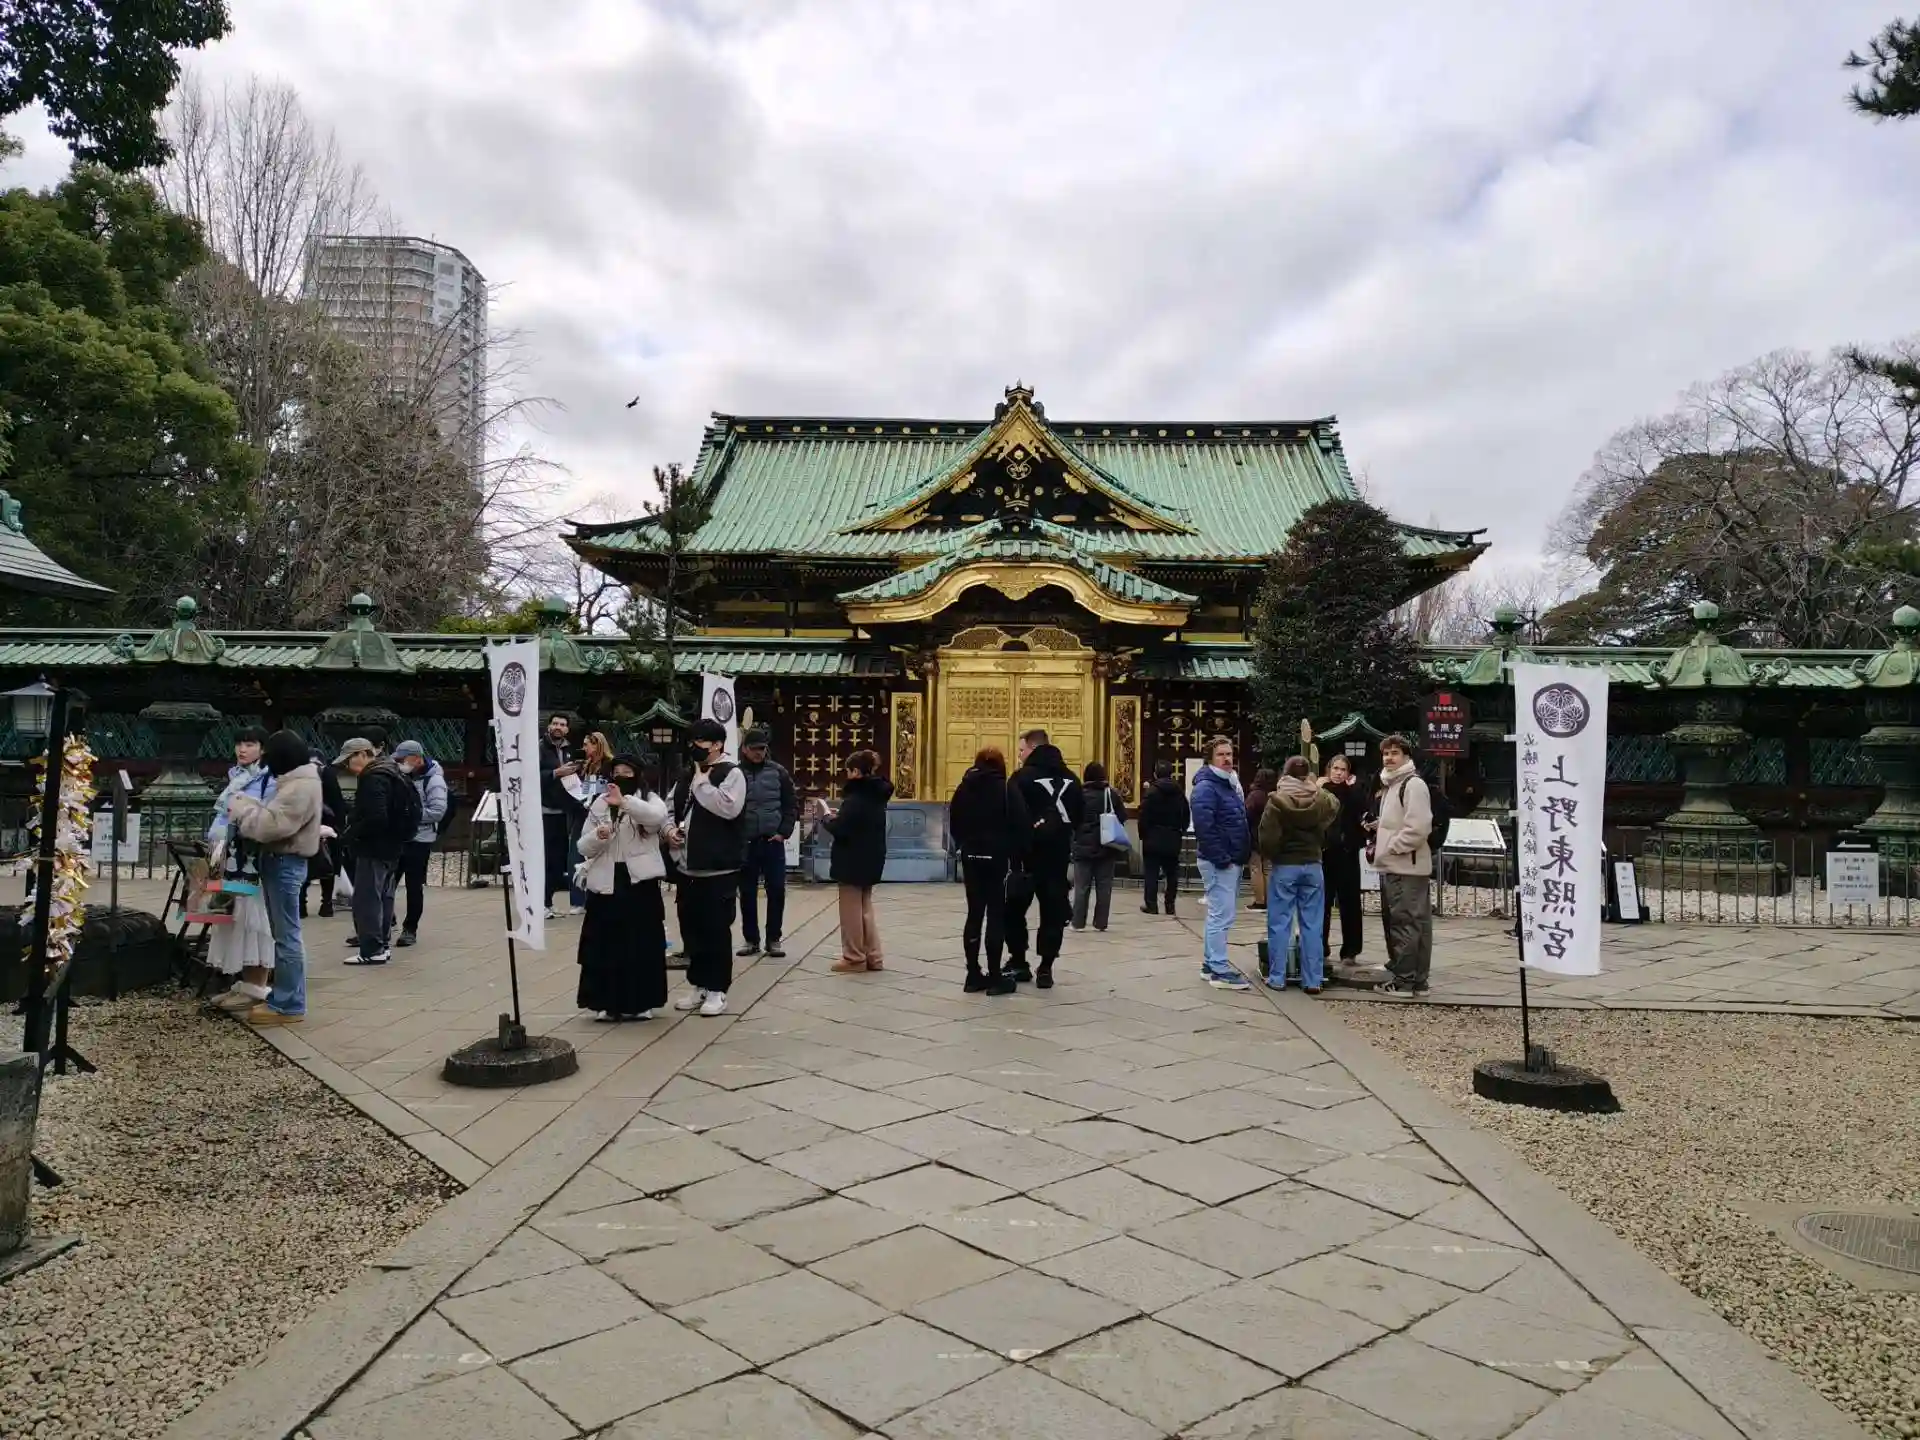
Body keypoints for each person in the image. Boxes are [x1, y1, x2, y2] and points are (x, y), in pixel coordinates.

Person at [226, 730, 323, 1026]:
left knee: (286, 937)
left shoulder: (300, 787)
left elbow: (272, 826)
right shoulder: (296, 782)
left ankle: (289, 1004)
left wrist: (242, 809)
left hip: (285, 862)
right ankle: (286, 998)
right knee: (284, 935)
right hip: (281, 861)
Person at [576, 752, 671, 1021]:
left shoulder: (648, 799)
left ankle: (642, 1002)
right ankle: (605, 1002)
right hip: (606, 880)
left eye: (627, 773)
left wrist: (626, 802)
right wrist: (598, 835)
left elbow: (657, 819)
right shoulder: (600, 803)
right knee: (604, 944)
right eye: (616, 773)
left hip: (638, 881)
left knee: (641, 943)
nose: (621, 777)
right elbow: (582, 846)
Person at [665, 718, 747, 1016]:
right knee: (691, 930)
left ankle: (717, 989)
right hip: (686, 868)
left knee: (715, 931)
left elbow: (728, 807)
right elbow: (669, 806)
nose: (694, 746)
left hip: (718, 868)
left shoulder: (731, 773)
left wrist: (702, 782)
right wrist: (668, 830)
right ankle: (698, 984)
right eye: (692, 741)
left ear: (717, 744)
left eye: (700, 740)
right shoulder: (687, 773)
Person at [1006, 729, 1082, 990]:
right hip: (1057, 858)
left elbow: (1011, 816)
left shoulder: (1021, 778)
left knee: (1013, 910)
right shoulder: (1072, 779)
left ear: (1033, 748)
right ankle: (1046, 966)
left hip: (1025, 858)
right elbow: (1080, 816)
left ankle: (1018, 960)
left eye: (1022, 750)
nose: (1019, 755)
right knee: (1053, 913)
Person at [948, 746, 1028, 994]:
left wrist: (964, 845)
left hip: (971, 856)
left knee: (974, 914)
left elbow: (954, 822)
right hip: (997, 857)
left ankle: (972, 973)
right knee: (995, 914)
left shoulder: (964, 788)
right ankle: (995, 976)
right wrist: (1015, 855)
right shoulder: (1005, 788)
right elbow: (1020, 823)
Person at [1257, 756, 1340, 994]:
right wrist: (1318, 786)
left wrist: (1273, 854)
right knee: (1312, 924)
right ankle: (1312, 979)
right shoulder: (1319, 798)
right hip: (1312, 865)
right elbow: (1334, 805)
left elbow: (1267, 838)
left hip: (1285, 865)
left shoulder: (1277, 801)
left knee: (1279, 923)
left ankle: (1277, 977)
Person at [206, 728, 273, 1011]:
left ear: (263, 748)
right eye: (239, 744)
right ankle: (244, 982)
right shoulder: (237, 776)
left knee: (253, 921)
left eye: (249, 744)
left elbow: (265, 818)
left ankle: (257, 985)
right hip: (226, 856)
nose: (242, 749)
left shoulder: (267, 778)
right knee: (233, 918)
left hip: (250, 860)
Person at [337, 736, 418, 966]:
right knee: (384, 896)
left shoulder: (373, 777)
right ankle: (382, 945)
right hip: (393, 846)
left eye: (348, 760)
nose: (347, 767)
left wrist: (350, 834)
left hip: (374, 847)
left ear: (363, 754)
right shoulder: (393, 771)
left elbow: (376, 817)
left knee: (367, 898)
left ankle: (372, 949)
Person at [819, 750, 893, 974]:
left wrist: (827, 818)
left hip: (851, 860)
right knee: (865, 910)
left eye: (849, 770)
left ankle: (854, 957)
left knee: (850, 911)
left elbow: (842, 829)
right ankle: (873, 956)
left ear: (857, 772)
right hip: (872, 857)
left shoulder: (856, 798)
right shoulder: (876, 794)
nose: (848, 775)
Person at [1374, 732, 1435, 996]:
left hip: (1405, 865)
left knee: (1405, 923)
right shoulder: (1394, 784)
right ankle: (1418, 980)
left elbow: (1418, 827)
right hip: (1403, 864)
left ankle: (1404, 981)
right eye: (1386, 753)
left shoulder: (1412, 784)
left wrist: (1392, 846)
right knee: (1415, 922)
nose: (1389, 758)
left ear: (1406, 756)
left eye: (1394, 753)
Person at [1190, 734, 1253, 990]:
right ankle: (1218, 968)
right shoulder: (1207, 787)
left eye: (1229, 754)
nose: (1227, 759)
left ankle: (1210, 964)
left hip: (1229, 857)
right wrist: (1222, 858)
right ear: (1210, 758)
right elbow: (1204, 827)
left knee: (1218, 914)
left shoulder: (1227, 783)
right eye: (1221, 755)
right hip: (1220, 861)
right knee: (1221, 916)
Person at [736, 725, 799, 960]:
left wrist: (784, 832)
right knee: (747, 893)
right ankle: (751, 939)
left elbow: (791, 804)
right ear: (744, 749)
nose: (758, 753)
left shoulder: (779, 772)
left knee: (777, 890)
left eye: (762, 749)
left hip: (773, 841)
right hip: (746, 842)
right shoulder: (735, 774)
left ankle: (774, 938)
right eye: (754, 748)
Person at [392, 740, 449, 949]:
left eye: (403, 759)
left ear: (417, 758)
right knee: (387, 882)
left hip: (420, 839)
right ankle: (383, 922)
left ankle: (410, 928)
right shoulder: (400, 776)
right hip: (399, 837)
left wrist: (409, 815)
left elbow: (438, 811)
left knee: (413, 886)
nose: (400, 763)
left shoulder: (434, 780)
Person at [1321, 753, 1368, 965]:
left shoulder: (1353, 793)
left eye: (1343, 769)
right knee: (1321, 903)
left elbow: (1362, 815)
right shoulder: (1320, 791)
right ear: (1328, 770)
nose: (1338, 773)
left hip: (1347, 853)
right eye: (1335, 768)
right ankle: (1319, 945)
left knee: (1350, 903)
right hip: (1324, 853)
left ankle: (1351, 949)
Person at [539, 713, 586, 918]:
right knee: (545, 858)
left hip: (565, 810)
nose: (558, 727)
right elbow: (531, 776)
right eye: (555, 723)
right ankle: (541, 902)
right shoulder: (539, 748)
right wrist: (556, 773)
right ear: (549, 726)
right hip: (545, 810)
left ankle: (548, 902)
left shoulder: (569, 750)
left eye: (563, 724)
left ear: (567, 729)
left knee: (559, 860)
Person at [1070, 761, 1126, 932]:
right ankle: (1101, 922)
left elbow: (1071, 819)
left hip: (1082, 846)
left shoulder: (1078, 795)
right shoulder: (1111, 794)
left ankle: (1078, 922)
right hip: (1106, 846)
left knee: (1081, 887)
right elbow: (1122, 816)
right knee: (1104, 887)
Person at [1137, 759, 1189, 916]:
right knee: (1172, 873)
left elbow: (1143, 815)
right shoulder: (1179, 792)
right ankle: (1170, 905)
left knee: (1151, 873)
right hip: (1172, 837)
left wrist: (1143, 834)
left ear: (1155, 774)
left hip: (1153, 837)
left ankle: (1151, 905)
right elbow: (1186, 814)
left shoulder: (1151, 792)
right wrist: (1181, 831)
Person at [302, 749, 347, 918]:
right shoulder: (329, 774)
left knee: (304, 866)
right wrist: (339, 829)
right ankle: (326, 904)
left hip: (306, 826)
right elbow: (338, 804)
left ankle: (301, 905)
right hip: (329, 827)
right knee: (328, 865)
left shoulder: (301, 775)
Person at [1244, 768, 1278, 910]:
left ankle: (1259, 900)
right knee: (1268, 869)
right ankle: (1270, 900)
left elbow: (1246, 815)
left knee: (1256, 868)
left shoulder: (1254, 796)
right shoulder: (1275, 796)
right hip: (1271, 836)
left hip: (1255, 835)